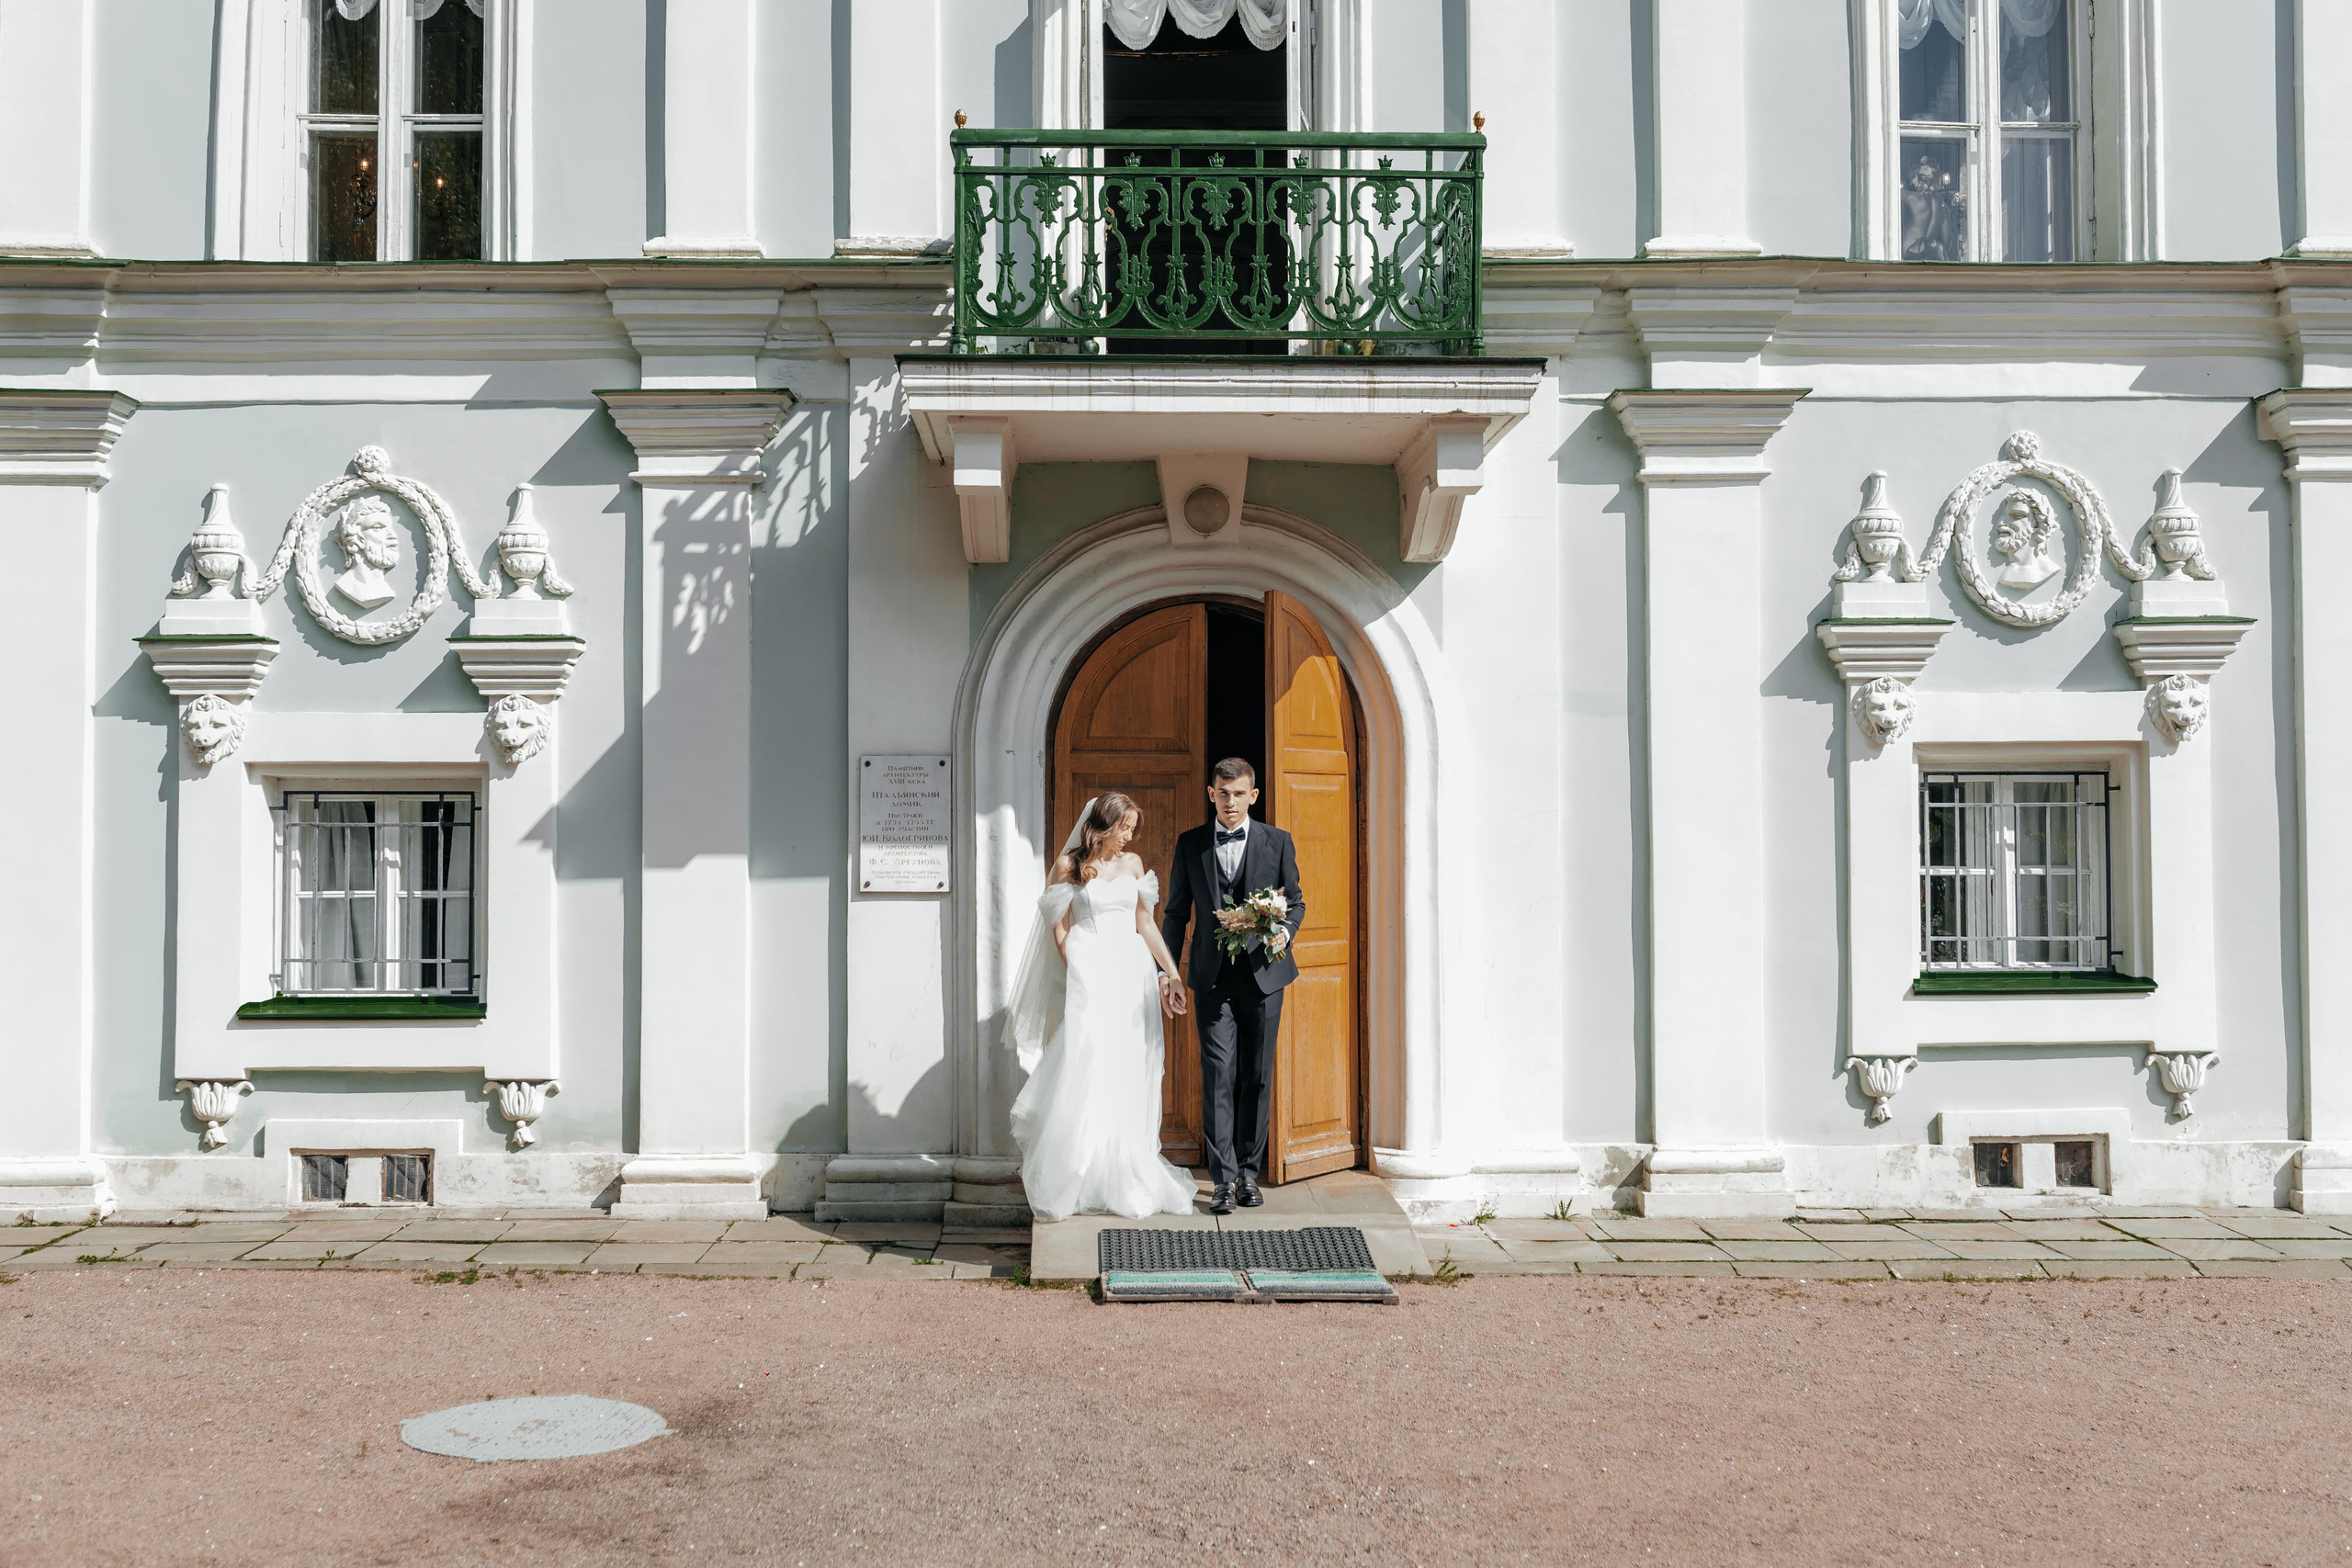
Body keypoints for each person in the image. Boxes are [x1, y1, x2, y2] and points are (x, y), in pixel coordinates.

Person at [1007, 793, 1199, 1222]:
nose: (1130, 835)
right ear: (1103, 823)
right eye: (1124, 827)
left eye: (1133, 828)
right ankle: (1080, 1170)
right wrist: (1076, 964)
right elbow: (1056, 927)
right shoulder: (1068, 867)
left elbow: (1145, 924)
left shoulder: (1132, 865)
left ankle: (1126, 1173)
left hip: (1133, 974)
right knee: (1088, 1063)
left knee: (1131, 1067)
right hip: (1091, 971)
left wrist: (1170, 972)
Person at [1159, 759, 1306, 1215]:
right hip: (1212, 978)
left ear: (1253, 795)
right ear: (1210, 793)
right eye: (1223, 794)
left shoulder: (1277, 842)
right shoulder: (1191, 844)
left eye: (1239, 794)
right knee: (1219, 1072)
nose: (1231, 802)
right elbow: (1176, 912)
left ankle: (1247, 1172)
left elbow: (1295, 902)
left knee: (1257, 1076)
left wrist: (1285, 932)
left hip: (1265, 976)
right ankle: (1221, 1180)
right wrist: (1168, 972)